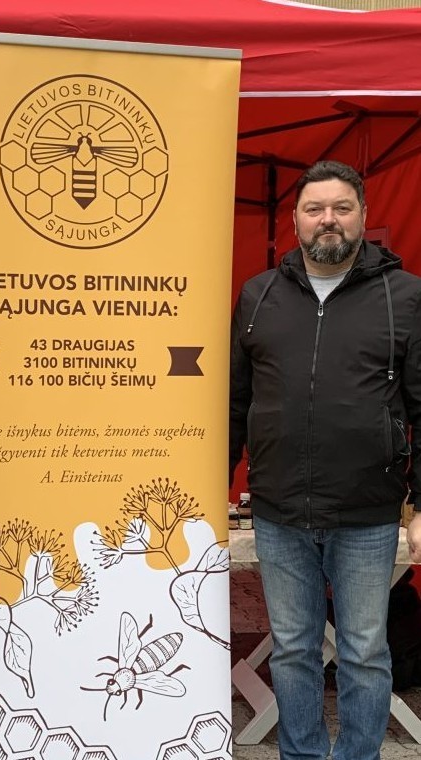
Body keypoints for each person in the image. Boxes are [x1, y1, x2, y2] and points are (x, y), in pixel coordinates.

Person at [230, 160, 421, 760]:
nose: (328, 219)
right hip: (279, 510)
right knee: (292, 650)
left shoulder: (405, 297)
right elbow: (235, 400)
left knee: (364, 651)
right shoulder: (258, 295)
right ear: (295, 221)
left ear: (363, 215)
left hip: (367, 512)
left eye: (342, 207)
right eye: (315, 209)